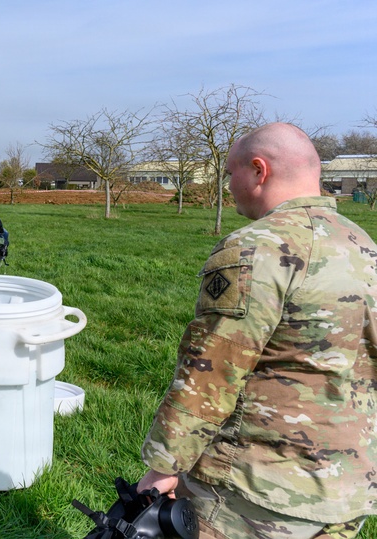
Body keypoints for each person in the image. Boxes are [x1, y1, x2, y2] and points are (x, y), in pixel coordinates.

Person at [137, 123, 377, 539]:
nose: (228, 186)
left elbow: (212, 371)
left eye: (231, 173)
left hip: (254, 491)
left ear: (258, 170)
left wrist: (164, 467)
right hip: (350, 488)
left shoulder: (257, 249)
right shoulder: (364, 246)